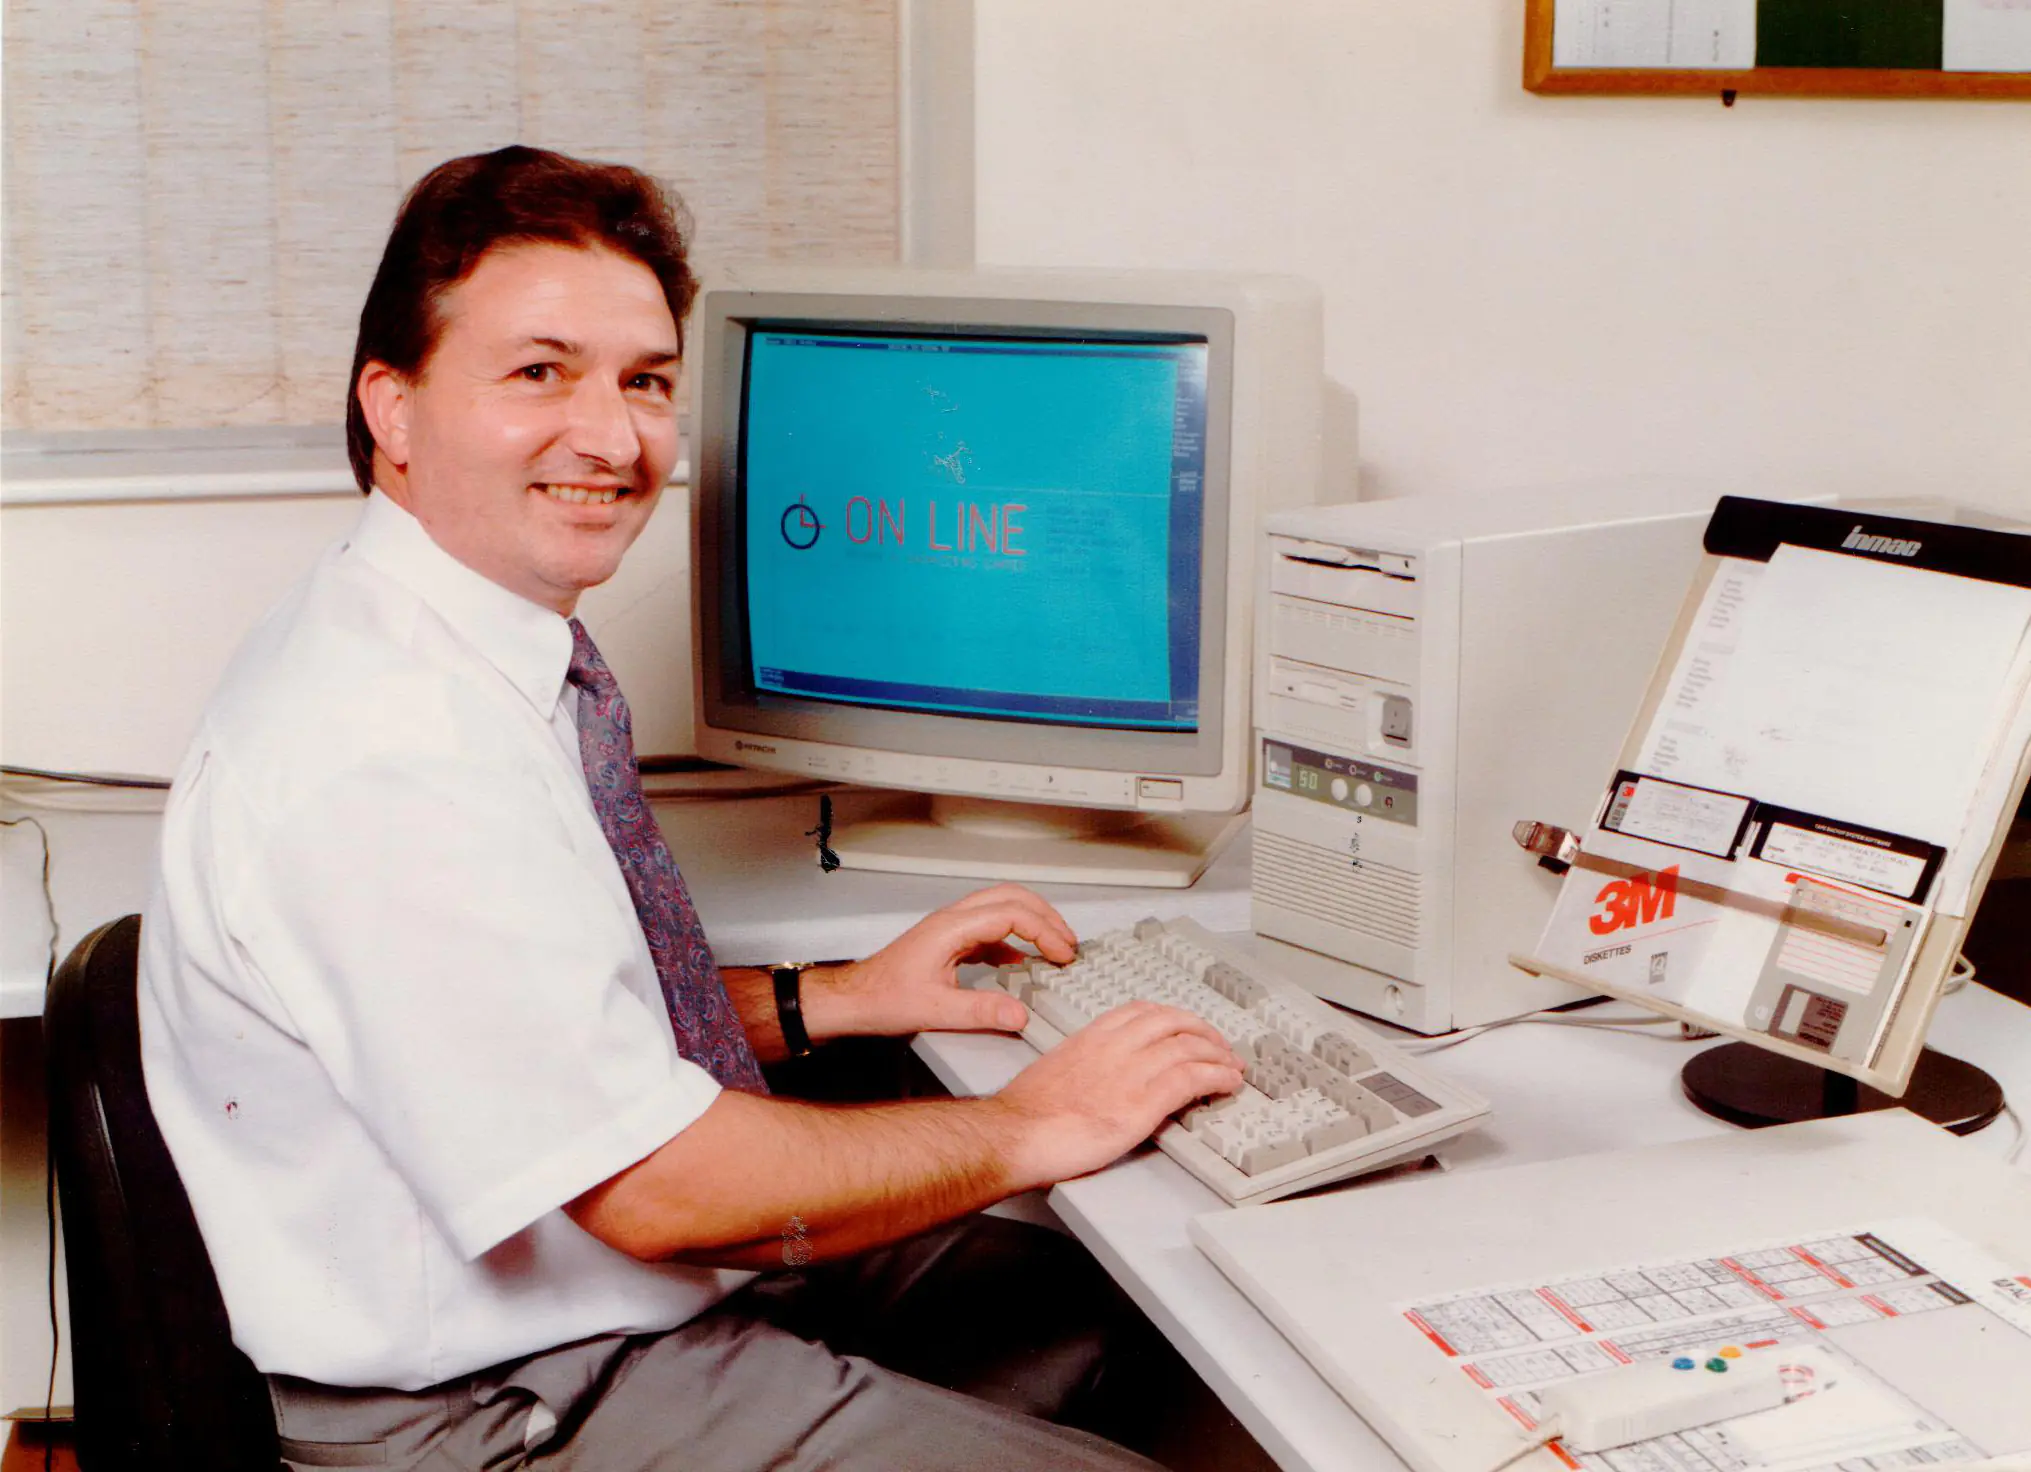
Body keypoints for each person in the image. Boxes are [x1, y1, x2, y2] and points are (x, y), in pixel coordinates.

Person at [139, 145, 1245, 1472]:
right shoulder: (387, 750)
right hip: (511, 1406)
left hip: (622, 1314)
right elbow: (661, 1191)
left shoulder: (465, 652)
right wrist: (1032, 1122)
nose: (611, 439)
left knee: (1151, 1314)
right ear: (393, 402)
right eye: (539, 371)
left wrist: (829, 998)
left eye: (645, 382)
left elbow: (548, 1021)